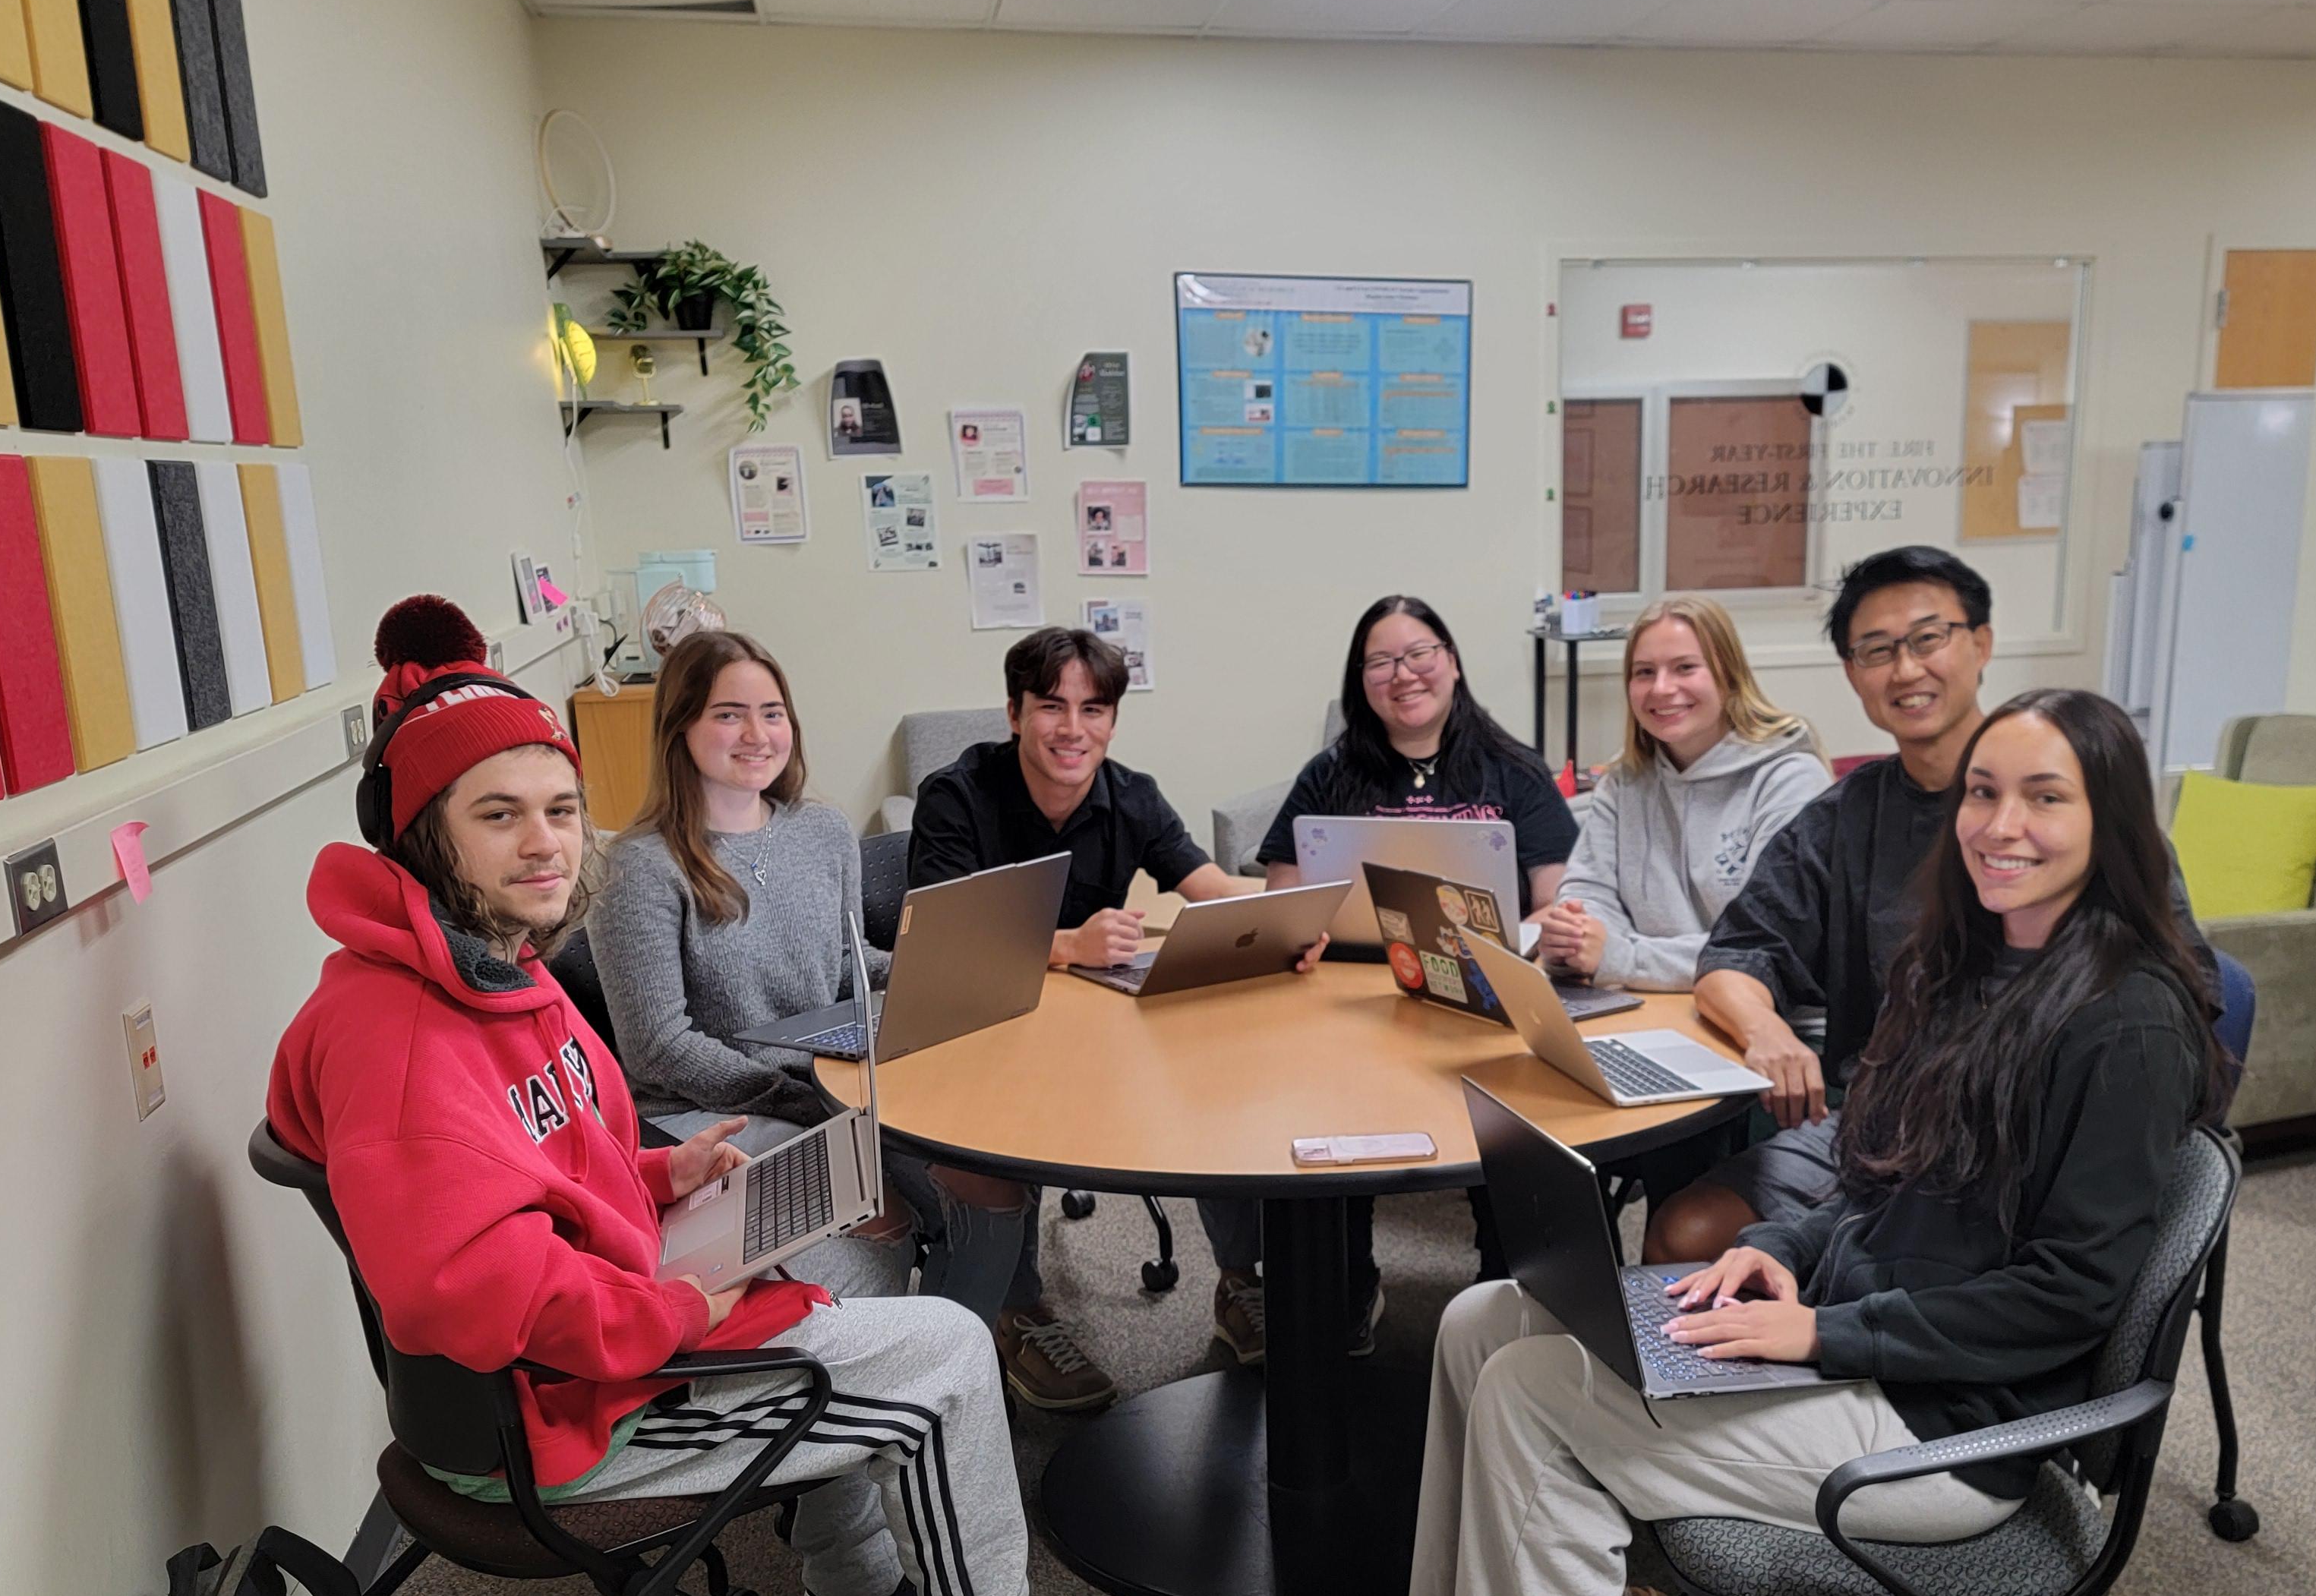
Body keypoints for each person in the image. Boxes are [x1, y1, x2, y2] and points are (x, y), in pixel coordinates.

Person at [1408, 686, 2227, 1596]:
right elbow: (1875, 1176)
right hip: (1860, 1348)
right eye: (1986, 794)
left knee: (1533, 1394)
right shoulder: (1970, 963)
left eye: (2044, 797)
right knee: (1487, 1319)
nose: (2002, 825)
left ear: (2108, 816)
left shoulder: (2131, 1018)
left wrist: (1821, 1333)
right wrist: (1781, 1253)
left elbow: (2067, 1298)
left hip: (1947, 1426)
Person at [270, 597, 1100, 1596]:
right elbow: (459, 1286)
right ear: (422, 835)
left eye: (560, 810)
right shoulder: (404, 1037)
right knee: (948, 1351)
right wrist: (668, 1305)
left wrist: (663, 1180)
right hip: (563, 1413)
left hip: (598, 1320)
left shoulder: (489, 972)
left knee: (831, 1275)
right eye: (498, 815)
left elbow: (553, 1154)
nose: (548, 844)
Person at [1648, 544, 2198, 1264]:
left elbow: (2185, 1001)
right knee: (1686, 1234)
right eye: (1877, 650)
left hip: (2015, 1141)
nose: (1906, 669)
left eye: (1928, 639)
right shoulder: (1845, 818)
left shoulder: (2086, 822)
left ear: (1981, 645)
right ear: (1852, 673)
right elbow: (1735, 951)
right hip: (1872, 1128)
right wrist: (1765, 1029)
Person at [589, 629, 1028, 1323]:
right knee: (880, 1215)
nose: (757, 734)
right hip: (712, 1111)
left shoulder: (821, 831)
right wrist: (796, 1096)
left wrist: (948, 975)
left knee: (988, 1185)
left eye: (773, 712)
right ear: (681, 727)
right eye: (728, 713)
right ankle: (905, 1366)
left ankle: (953, 1352)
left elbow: (848, 969)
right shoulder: (640, 867)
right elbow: (657, 1046)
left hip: (827, 1083)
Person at [909, 626, 1283, 1408]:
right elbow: (943, 937)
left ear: (1113, 720)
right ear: (1014, 713)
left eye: (1093, 709)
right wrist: (1066, 946)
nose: (1072, 729)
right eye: (1051, 706)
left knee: (1215, 1068)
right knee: (998, 1117)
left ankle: (1241, 1281)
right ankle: (1017, 1313)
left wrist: (1299, 914)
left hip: (1099, 1025)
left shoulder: (1132, 794)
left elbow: (1208, 885)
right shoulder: (959, 794)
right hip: (993, 1023)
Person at [1208, 596, 1582, 1364]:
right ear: (1359, 682)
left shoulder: (1513, 769)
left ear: (1450, 660)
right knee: (1327, 1122)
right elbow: (1286, 899)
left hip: (1482, 1001)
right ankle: (1343, 1285)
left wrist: (1529, 949)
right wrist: (1295, 934)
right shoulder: (1331, 772)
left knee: (1506, 1125)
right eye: (1378, 662)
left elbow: (1556, 902)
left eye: (1418, 654)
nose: (1401, 675)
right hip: (1349, 998)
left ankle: (1502, 1295)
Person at [1532, 593, 1829, 992]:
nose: (1662, 688)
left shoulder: (1789, 781)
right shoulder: (1625, 779)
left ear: (1729, 674)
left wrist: (1622, 957)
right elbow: (1589, 892)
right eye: (1644, 672)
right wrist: (1575, 939)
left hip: (1766, 1015)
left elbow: (1769, 947)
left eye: (1685, 668)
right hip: (1648, 1003)